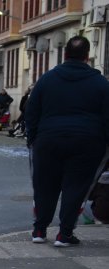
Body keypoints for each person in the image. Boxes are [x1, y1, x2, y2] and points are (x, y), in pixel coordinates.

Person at [25, 36, 109, 246]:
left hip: (48, 140)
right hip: (87, 142)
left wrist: (33, 138)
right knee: (76, 187)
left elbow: (31, 111)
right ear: (87, 56)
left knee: (44, 185)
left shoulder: (47, 79)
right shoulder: (101, 83)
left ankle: (39, 230)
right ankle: (64, 234)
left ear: (65, 54)